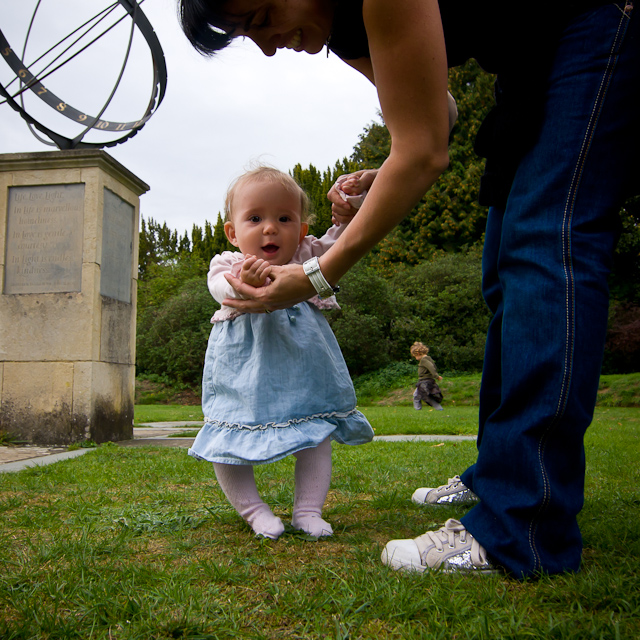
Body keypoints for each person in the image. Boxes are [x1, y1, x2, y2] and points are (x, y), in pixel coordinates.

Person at [178, 1, 640, 578]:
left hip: (594, 20)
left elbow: (424, 153)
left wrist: (318, 274)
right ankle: (499, 475)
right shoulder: (340, 28)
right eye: (252, 36)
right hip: (532, 55)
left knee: (546, 244)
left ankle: (523, 526)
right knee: (505, 271)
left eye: (262, 15)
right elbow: (433, 114)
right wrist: (386, 173)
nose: (270, 44)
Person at [188, 166, 374, 540]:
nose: (270, 228)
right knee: (228, 435)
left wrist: (352, 203)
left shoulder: (308, 256)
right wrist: (247, 284)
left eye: (284, 218)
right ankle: (254, 511)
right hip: (244, 371)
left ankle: (308, 510)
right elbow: (221, 288)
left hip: (305, 368)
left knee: (316, 428)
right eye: (255, 218)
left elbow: (346, 239)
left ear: (302, 229)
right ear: (232, 232)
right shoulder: (227, 264)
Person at [410, 342, 443, 411]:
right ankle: (438, 408)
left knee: (420, 396)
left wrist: (436, 376)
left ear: (418, 354)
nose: (416, 358)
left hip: (424, 381)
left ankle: (419, 410)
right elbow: (434, 366)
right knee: (420, 396)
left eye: (415, 356)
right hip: (427, 381)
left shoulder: (424, 360)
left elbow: (431, 367)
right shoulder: (429, 359)